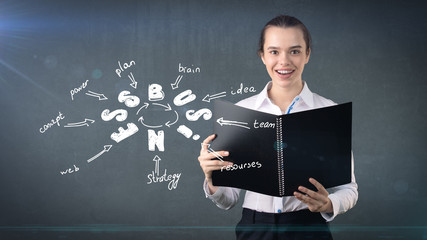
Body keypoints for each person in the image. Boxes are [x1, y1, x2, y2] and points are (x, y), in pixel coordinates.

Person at [198, 15, 358, 240]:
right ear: (262, 56)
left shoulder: (328, 111)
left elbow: (349, 190)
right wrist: (211, 177)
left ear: (307, 54)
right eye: (274, 51)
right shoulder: (240, 113)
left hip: (309, 227)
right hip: (255, 228)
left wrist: (329, 203)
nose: (284, 61)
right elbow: (228, 200)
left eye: (294, 51)